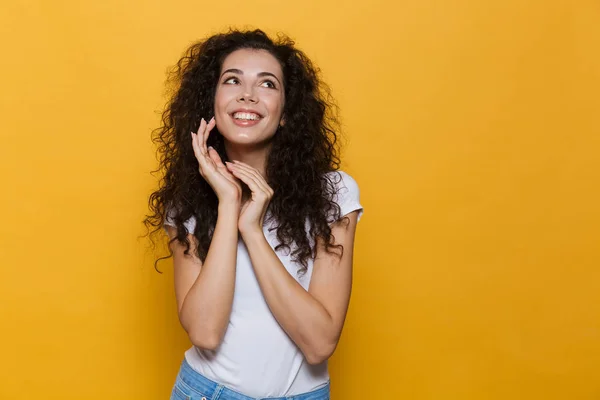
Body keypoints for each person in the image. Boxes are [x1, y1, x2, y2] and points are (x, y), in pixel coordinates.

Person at [145, 28, 364, 400]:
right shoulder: (187, 203)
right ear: (211, 106)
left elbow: (319, 343)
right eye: (232, 80)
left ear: (284, 115)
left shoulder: (334, 194)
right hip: (206, 392)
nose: (248, 94)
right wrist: (229, 205)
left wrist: (253, 230)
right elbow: (205, 333)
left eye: (267, 84)